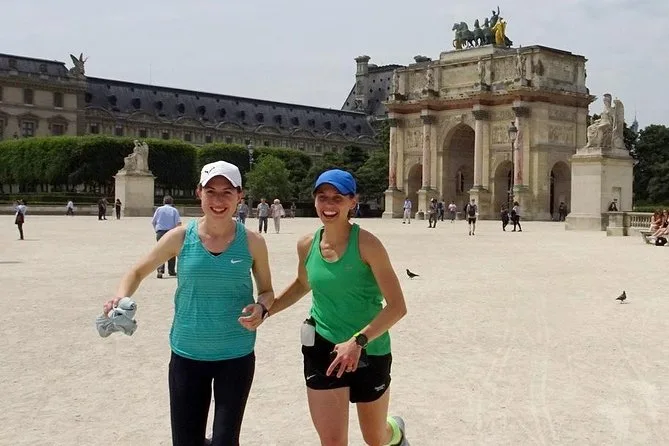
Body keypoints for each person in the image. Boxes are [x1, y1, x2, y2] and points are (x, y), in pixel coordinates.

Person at [102, 160, 275, 446]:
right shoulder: (181, 237)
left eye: (227, 192)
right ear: (199, 193)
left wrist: (262, 308)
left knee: (225, 441)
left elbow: (267, 291)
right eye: (211, 192)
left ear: (240, 196)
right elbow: (137, 271)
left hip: (236, 354)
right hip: (187, 354)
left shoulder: (253, 242)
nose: (218, 200)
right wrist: (121, 296)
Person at [269, 169, 409, 446]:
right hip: (323, 348)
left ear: (352, 202)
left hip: (369, 349)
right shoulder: (307, 244)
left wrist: (357, 342)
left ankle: (396, 432)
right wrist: (266, 310)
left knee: (375, 438)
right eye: (322, 197)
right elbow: (303, 283)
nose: (329, 205)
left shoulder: (368, 244)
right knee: (332, 442)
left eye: (337, 198)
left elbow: (397, 307)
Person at [152, 195, 182, 278]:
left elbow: (153, 221)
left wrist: (156, 230)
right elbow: (178, 223)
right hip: (171, 232)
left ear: (163, 202)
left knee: (160, 251)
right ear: (172, 202)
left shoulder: (159, 209)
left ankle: (160, 270)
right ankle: (171, 270)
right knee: (172, 252)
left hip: (160, 232)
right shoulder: (174, 210)